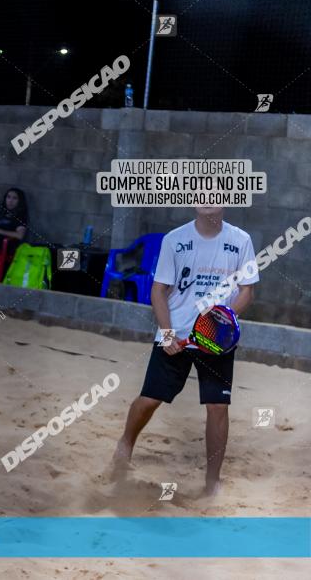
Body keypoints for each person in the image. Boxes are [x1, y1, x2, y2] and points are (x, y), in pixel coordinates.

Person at [111, 206, 257, 497]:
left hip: (217, 339)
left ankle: (212, 482)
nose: (208, 200)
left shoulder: (241, 240)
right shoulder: (175, 239)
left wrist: (223, 320)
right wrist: (167, 335)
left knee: (218, 407)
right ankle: (125, 443)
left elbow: (247, 291)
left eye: (215, 195)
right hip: (175, 333)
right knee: (151, 399)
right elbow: (158, 291)